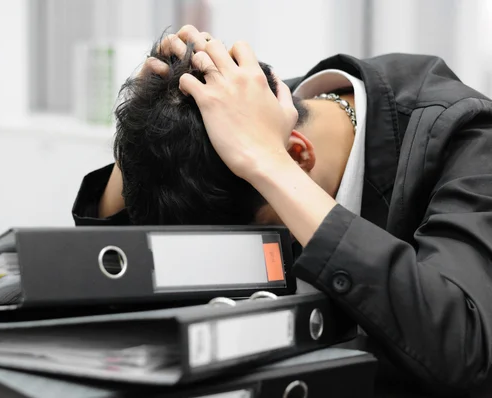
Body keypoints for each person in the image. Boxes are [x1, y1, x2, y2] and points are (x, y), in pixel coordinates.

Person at [72, 26, 492, 396]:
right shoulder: (233, 115)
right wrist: (138, 140)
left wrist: (272, 166)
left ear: (297, 154)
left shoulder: (468, 140)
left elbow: (465, 349)